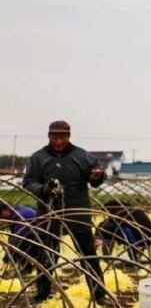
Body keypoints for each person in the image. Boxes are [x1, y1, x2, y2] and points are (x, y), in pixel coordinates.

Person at [22, 120, 107, 305]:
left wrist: (97, 175)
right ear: (49, 136)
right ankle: (43, 295)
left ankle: (99, 294)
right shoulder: (39, 158)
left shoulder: (82, 156)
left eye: (62, 137)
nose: (58, 141)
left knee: (88, 255)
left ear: (68, 136)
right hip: (49, 213)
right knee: (46, 255)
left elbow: (96, 177)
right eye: (55, 137)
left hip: (78, 212)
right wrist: (44, 189)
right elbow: (28, 182)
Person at [0, 203, 41, 274]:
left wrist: (6, 259)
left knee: (16, 245)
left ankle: (27, 269)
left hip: (41, 244)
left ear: (5, 210)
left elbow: (17, 239)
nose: (1, 218)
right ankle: (26, 268)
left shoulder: (21, 214)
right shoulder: (14, 212)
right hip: (32, 239)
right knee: (11, 243)